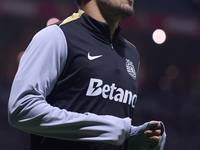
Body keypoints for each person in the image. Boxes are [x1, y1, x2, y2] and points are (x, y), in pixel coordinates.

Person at [8, 0, 166, 150]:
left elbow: (110, 135)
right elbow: (21, 108)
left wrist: (136, 138)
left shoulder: (131, 54)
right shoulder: (56, 36)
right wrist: (108, 128)